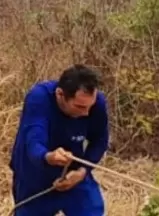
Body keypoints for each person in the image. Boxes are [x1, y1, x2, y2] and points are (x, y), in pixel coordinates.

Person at [9, 64, 109, 216]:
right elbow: (33, 141)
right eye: (80, 107)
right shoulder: (39, 98)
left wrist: (82, 172)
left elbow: (100, 140)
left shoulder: (96, 103)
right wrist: (49, 157)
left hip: (73, 175)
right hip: (35, 175)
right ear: (60, 94)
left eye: (91, 106)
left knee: (92, 210)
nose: (87, 113)